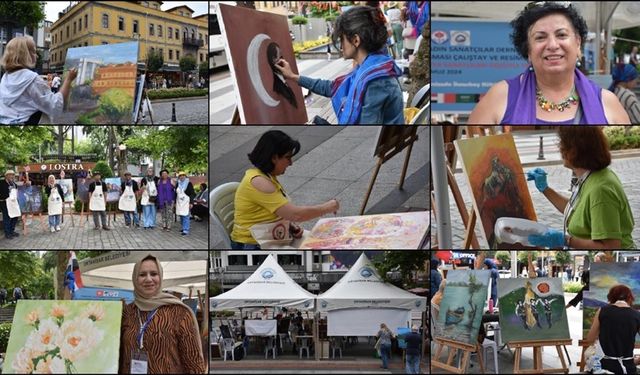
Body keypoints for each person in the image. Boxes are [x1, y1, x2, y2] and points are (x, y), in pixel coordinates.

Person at [468, 2, 630, 124]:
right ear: (528, 50)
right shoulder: (500, 96)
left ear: (578, 43)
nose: (552, 45)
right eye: (540, 37)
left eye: (561, 35)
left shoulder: (607, 102)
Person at [275, 6, 404, 124]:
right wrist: (293, 76)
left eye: (341, 39)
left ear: (356, 40)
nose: (340, 45)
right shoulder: (371, 66)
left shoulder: (375, 81)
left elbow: (364, 137)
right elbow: (332, 87)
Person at [526, 127, 635, 249]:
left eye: (562, 145)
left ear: (574, 151)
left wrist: (566, 240)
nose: (559, 149)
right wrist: (545, 188)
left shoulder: (600, 190)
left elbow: (610, 246)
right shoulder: (593, 176)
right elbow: (576, 210)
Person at [230, 130, 339, 249]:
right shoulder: (259, 182)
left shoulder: (264, 175)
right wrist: (328, 207)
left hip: (266, 238)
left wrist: (289, 226)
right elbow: (296, 215)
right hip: (252, 246)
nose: (291, 163)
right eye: (288, 157)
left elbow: (273, 212)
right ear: (274, 158)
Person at [119, 254, 206, 373]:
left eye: (154, 274)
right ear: (135, 278)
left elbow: (194, 363)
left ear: (161, 277)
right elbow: (117, 355)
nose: (148, 279)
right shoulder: (127, 312)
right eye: (142, 274)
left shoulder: (179, 313)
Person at [0, 36, 78, 124]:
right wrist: (69, 79)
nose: (36, 56)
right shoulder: (31, 78)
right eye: (33, 51)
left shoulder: (5, 77)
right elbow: (55, 106)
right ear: (25, 54)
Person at [586, 285, 640, 374]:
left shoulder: (602, 311)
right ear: (630, 297)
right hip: (628, 367)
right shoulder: (637, 315)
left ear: (611, 297)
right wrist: (637, 360)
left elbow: (590, 339)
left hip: (604, 367)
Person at [0, 170, 20, 239]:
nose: (11, 176)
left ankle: (12, 231)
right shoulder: (1, 183)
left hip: (13, 204)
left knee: (15, 216)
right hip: (4, 203)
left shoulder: (14, 184)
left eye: (12, 175)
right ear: (6, 176)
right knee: (7, 218)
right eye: (10, 175)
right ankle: (7, 233)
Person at [176, 171, 195, 236]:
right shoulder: (177, 183)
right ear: (179, 177)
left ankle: (186, 229)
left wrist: (191, 203)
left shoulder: (189, 184)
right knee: (181, 215)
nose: (182, 177)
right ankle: (183, 227)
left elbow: (192, 194)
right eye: (180, 176)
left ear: (185, 176)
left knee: (186, 215)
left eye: (183, 175)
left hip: (186, 202)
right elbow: (175, 193)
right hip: (179, 202)